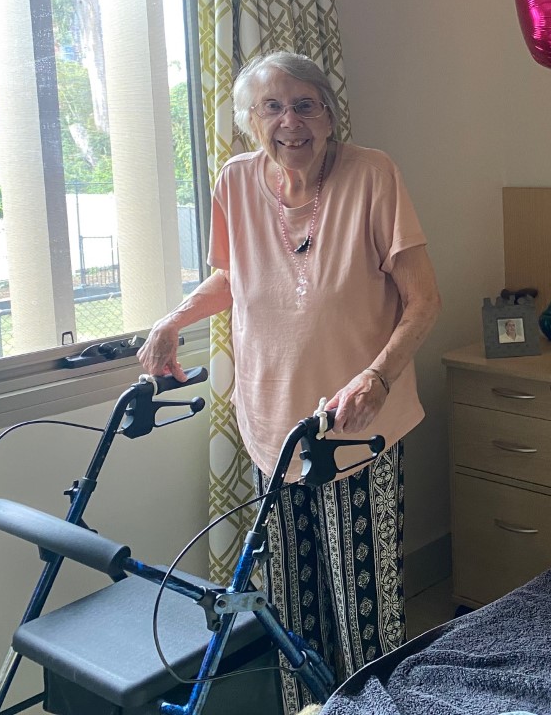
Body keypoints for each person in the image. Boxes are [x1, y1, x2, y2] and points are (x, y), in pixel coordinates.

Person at [138, 51, 441, 714]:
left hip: (356, 431)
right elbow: (233, 277)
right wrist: (172, 320)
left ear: (329, 116)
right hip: (271, 427)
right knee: (289, 615)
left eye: (305, 104)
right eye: (272, 108)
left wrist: (377, 376)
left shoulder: (373, 175)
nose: (290, 122)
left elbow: (423, 301)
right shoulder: (236, 181)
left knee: (364, 615)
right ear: (252, 122)